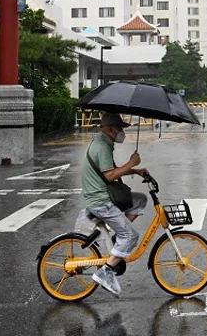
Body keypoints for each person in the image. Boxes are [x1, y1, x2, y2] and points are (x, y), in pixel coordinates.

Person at [82, 112, 148, 296]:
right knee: (131, 235)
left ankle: (117, 242)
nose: (121, 132)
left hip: (102, 196)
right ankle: (106, 272)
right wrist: (131, 162)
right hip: (101, 201)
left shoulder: (104, 143)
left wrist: (136, 170)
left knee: (140, 200)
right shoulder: (102, 147)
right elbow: (110, 176)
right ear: (110, 129)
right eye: (119, 128)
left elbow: (112, 171)